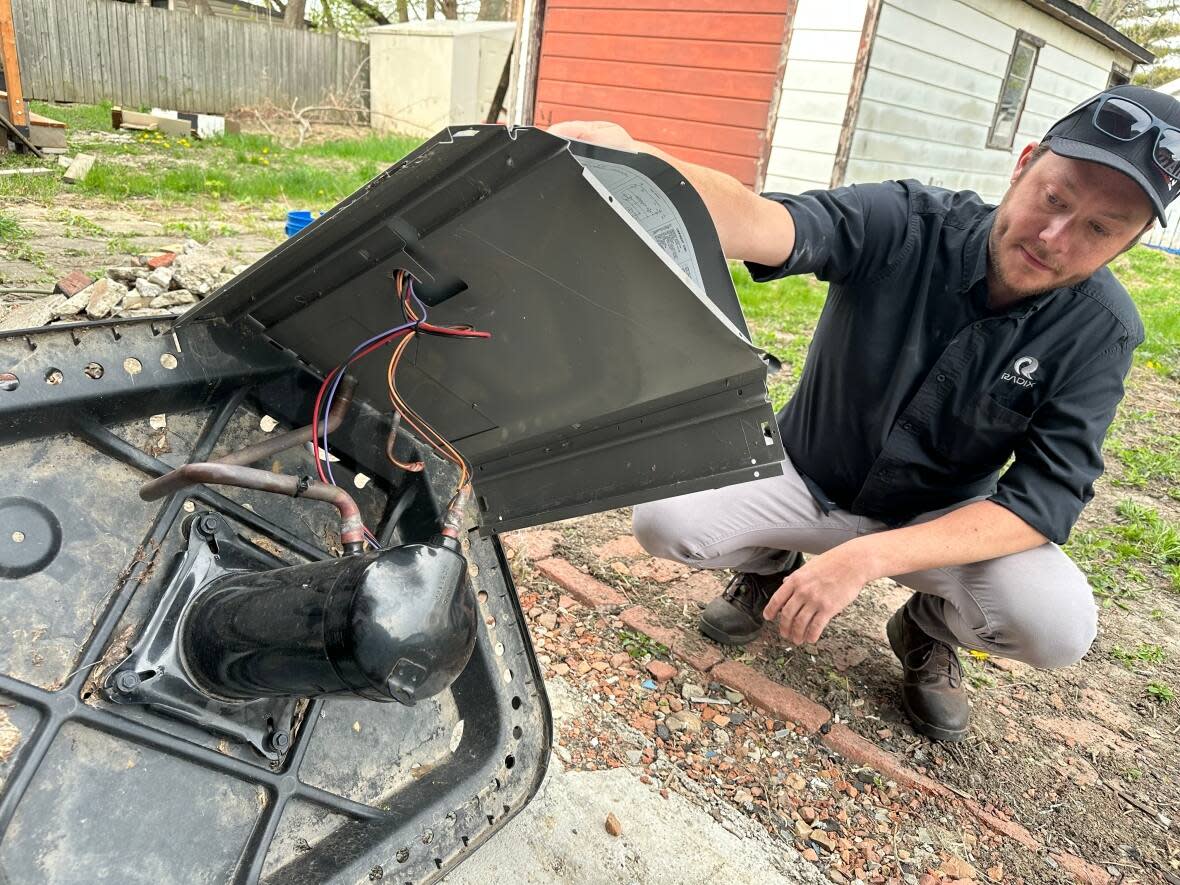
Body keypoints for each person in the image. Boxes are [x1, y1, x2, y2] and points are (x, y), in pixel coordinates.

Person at [549, 85, 1180, 742]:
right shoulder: (908, 220)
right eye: (1055, 198)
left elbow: (1045, 498)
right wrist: (637, 166)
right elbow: (768, 224)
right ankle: (768, 568)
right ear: (1023, 164)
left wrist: (866, 559)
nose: (1056, 237)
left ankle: (925, 628)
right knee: (666, 519)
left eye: (1099, 229)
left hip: (928, 524)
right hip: (801, 474)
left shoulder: (1102, 330)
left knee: (1056, 622)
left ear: (1128, 244)